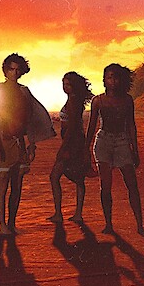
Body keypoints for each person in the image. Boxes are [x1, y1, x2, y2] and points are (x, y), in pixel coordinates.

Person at [0, 52, 45, 239]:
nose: (14, 72)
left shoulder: (24, 91)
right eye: (11, 69)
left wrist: (32, 144)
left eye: (18, 69)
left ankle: (11, 223)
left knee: (17, 185)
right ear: (5, 70)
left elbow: (30, 119)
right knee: (3, 183)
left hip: (20, 141)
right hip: (3, 140)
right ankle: (2, 224)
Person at [90, 61, 144, 234]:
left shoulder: (127, 100)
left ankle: (140, 225)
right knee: (105, 186)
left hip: (122, 141)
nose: (113, 81)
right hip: (104, 141)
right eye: (109, 77)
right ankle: (108, 224)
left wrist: (134, 150)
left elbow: (131, 125)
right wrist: (86, 151)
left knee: (131, 184)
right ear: (104, 80)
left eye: (116, 77)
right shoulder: (97, 101)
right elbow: (92, 126)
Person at [49, 71, 93, 224]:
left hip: (72, 142)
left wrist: (64, 146)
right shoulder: (73, 100)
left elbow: (73, 126)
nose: (65, 87)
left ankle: (59, 213)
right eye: (63, 84)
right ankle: (77, 214)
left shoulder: (73, 101)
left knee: (55, 176)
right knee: (78, 178)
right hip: (76, 142)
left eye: (68, 84)